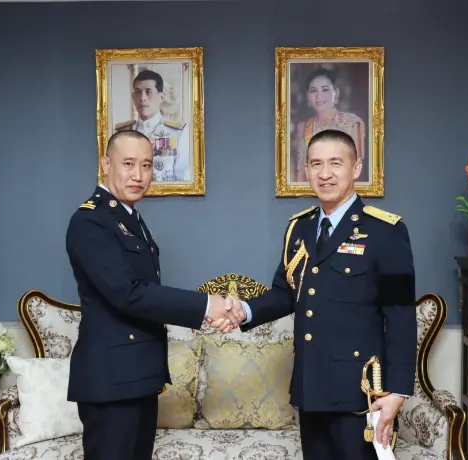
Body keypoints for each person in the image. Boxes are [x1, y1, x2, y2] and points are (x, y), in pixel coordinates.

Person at [225, 129, 416, 459]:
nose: (324, 173)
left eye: (335, 163)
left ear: (356, 168)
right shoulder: (299, 228)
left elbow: (401, 314)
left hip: (360, 393)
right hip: (310, 387)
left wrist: (397, 392)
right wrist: (244, 310)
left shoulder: (386, 231)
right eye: (316, 164)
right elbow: (285, 293)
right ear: (306, 170)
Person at [65, 129, 241, 460]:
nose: (138, 175)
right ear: (106, 164)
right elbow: (128, 294)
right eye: (128, 164)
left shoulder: (128, 217)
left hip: (136, 376)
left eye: (146, 165)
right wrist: (207, 304)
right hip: (112, 380)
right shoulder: (91, 221)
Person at [114, 69, 190, 182]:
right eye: (138, 92)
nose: (142, 98)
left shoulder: (178, 133)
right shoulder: (121, 133)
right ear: (133, 96)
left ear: (161, 97)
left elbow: (183, 179)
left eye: (148, 92)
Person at [292, 67, 366, 183]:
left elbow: (356, 168)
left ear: (336, 93)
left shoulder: (351, 123)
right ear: (308, 96)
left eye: (325, 89)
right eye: (313, 91)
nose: (319, 96)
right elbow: (301, 170)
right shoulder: (304, 127)